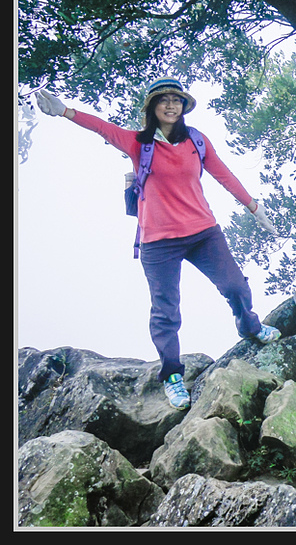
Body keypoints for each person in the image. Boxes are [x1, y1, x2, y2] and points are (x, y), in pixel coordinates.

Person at [36, 78, 281, 410]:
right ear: (153, 107)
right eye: (163, 100)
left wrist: (254, 206)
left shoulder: (197, 140)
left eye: (176, 100)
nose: (170, 105)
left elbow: (224, 175)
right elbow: (102, 128)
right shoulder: (139, 143)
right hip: (158, 242)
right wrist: (64, 111)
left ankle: (249, 325)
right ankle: (172, 377)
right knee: (166, 313)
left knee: (236, 286)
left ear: (183, 107)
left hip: (203, 233)